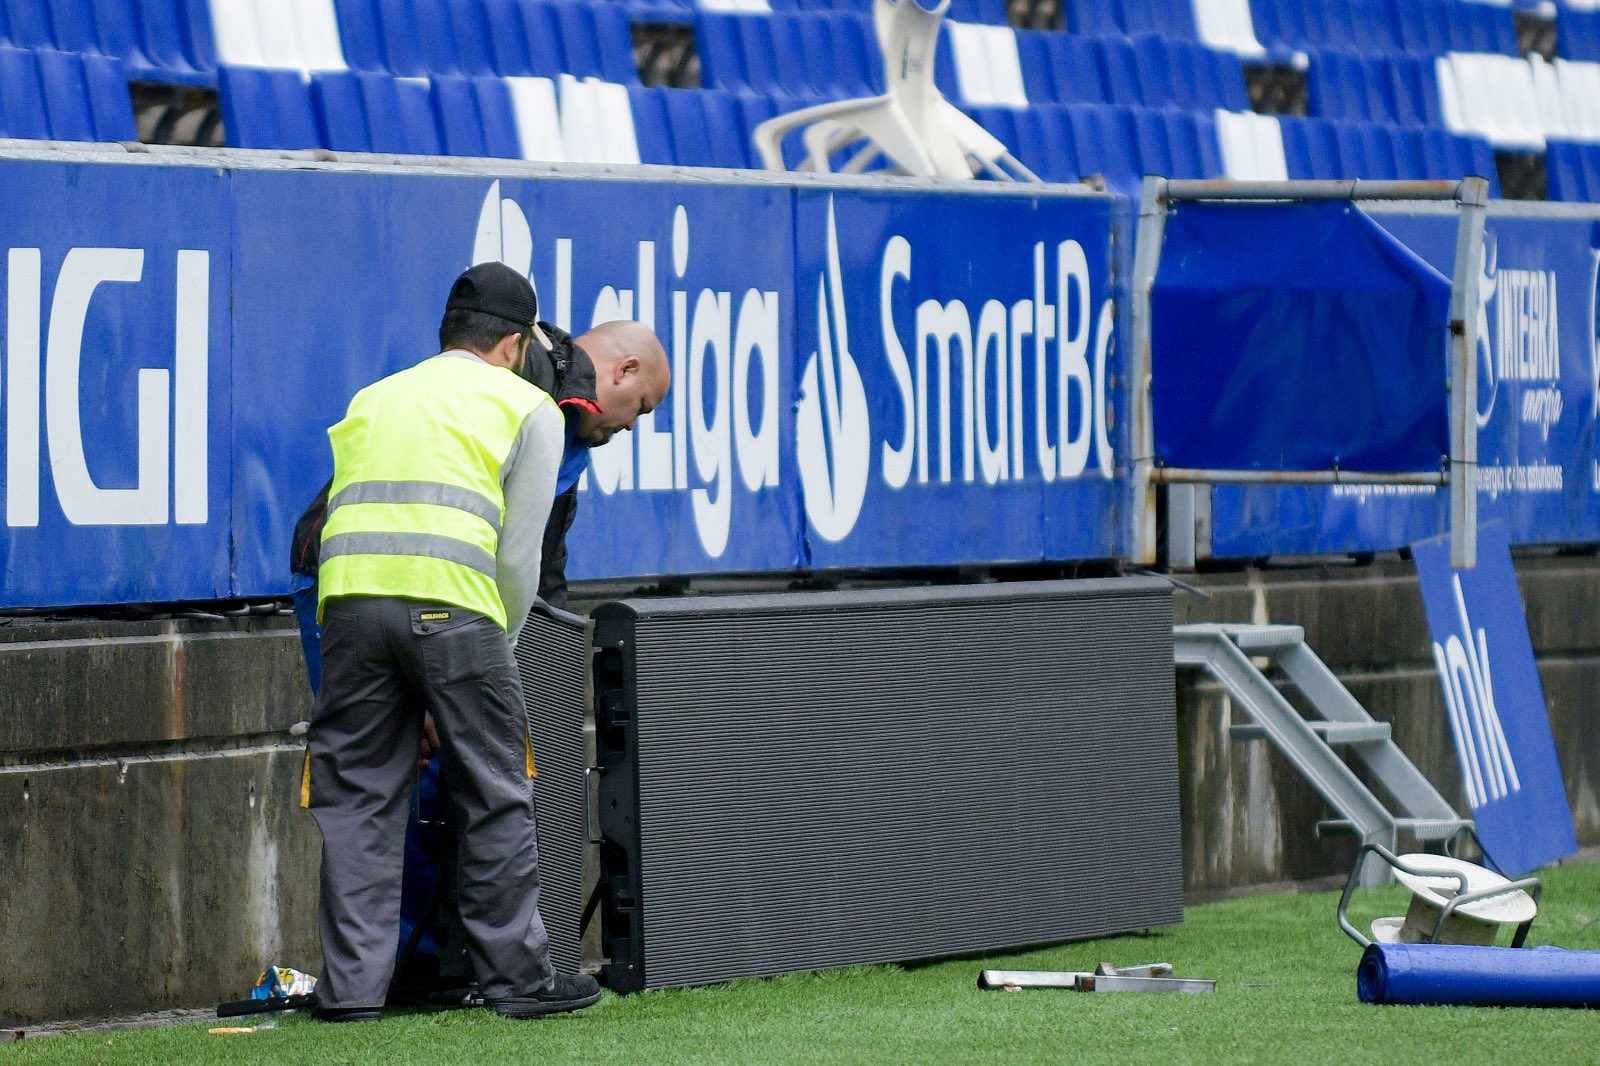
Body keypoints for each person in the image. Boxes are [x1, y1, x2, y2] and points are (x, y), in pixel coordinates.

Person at [288, 310, 670, 997]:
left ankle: (367, 984)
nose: (630, 427)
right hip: (433, 592)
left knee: (369, 790)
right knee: (481, 783)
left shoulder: (431, 388)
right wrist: (480, 664)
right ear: (624, 370)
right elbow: (520, 561)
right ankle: (487, 973)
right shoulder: (547, 398)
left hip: (343, 582)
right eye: (639, 407)